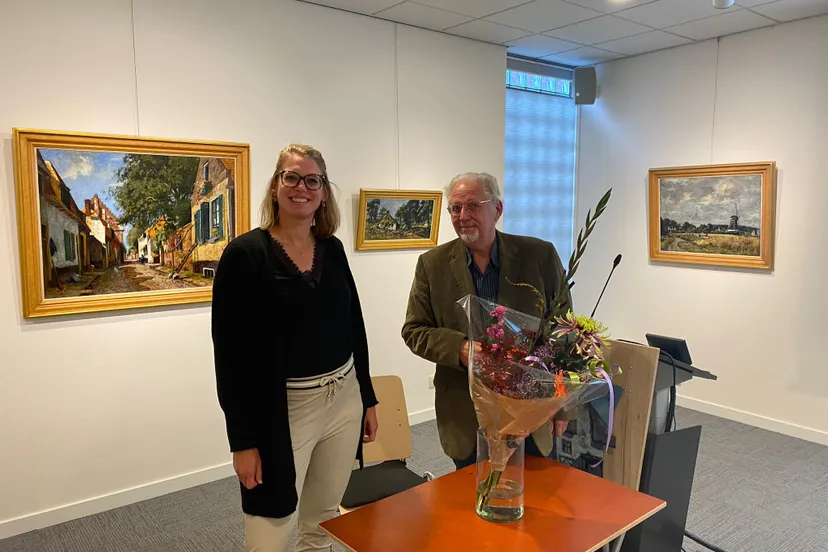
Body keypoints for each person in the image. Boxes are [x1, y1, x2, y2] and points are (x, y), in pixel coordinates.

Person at [211, 144, 379, 552]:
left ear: (323, 192)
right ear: (275, 186)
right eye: (291, 177)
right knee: (271, 528)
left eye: (312, 180)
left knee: (321, 521)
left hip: (344, 399)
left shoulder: (333, 250)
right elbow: (228, 357)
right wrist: (243, 441)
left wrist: (368, 399)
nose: (300, 187)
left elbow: (354, 326)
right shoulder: (244, 256)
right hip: (282, 409)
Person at [401, 172, 573, 470]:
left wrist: (563, 402)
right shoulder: (432, 265)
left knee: (539, 499)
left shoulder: (539, 255)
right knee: (472, 498)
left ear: (497, 209)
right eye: (455, 208)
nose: (462, 216)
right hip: (467, 415)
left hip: (533, 410)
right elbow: (414, 330)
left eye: (472, 206)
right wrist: (460, 348)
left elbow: (564, 331)